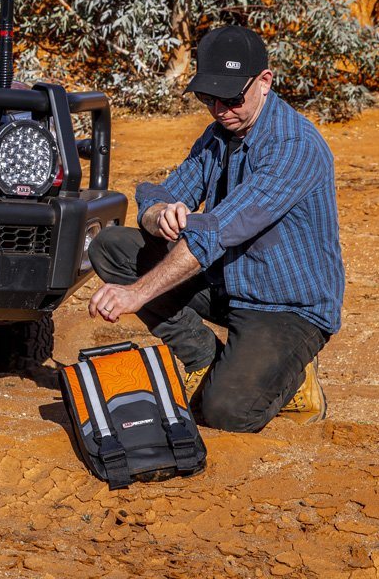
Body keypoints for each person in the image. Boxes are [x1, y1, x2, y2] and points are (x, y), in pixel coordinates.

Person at [86, 25, 344, 432]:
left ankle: (294, 381)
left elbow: (216, 232)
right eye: (209, 98)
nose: (221, 108)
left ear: (264, 82)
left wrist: (136, 294)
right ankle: (204, 359)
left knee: (226, 411)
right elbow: (164, 191)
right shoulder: (219, 134)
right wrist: (157, 214)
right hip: (229, 282)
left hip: (286, 307)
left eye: (231, 97)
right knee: (112, 247)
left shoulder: (293, 147)